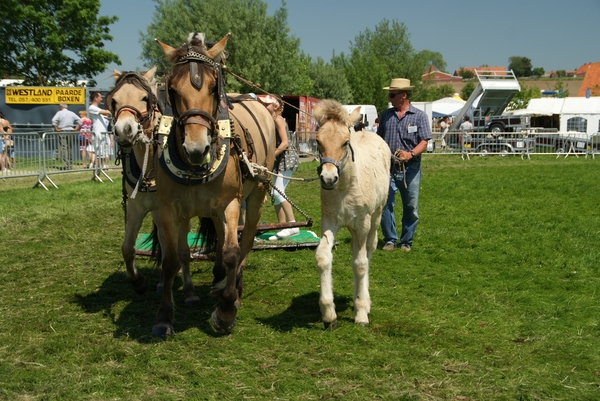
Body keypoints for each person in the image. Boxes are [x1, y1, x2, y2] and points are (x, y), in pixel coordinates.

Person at [377, 78, 432, 252]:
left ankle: (406, 242)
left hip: (411, 169)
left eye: (392, 94)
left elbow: (424, 141)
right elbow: (379, 140)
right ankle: (390, 239)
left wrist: (410, 154)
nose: (389, 97)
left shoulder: (419, 116)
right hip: (389, 168)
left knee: (411, 206)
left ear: (404, 95)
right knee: (385, 203)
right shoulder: (386, 115)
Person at [257, 95, 300, 240]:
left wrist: (270, 156)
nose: (263, 106)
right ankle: (282, 226)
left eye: (266, 104)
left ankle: (293, 226)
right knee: (275, 194)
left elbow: (285, 143)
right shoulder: (269, 119)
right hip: (279, 159)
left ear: (275, 106)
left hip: (286, 158)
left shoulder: (277, 119)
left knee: (278, 192)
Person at [51, 103, 81, 170]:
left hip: (62, 130)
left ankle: (67, 164)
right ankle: (70, 163)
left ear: (61, 107)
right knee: (69, 148)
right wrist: (76, 127)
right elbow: (80, 120)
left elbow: (53, 120)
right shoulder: (71, 113)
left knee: (64, 148)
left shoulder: (59, 113)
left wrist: (55, 127)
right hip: (70, 130)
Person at [88, 92, 112, 174]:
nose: (101, 99)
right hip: (98, 134)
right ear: (95, 98)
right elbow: (107, 113)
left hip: (103, 135)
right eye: (100, 97)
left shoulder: (98, 111)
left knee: (101, 155)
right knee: (98, 156)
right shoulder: (92, 108)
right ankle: (96, 174)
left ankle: (98, 174)